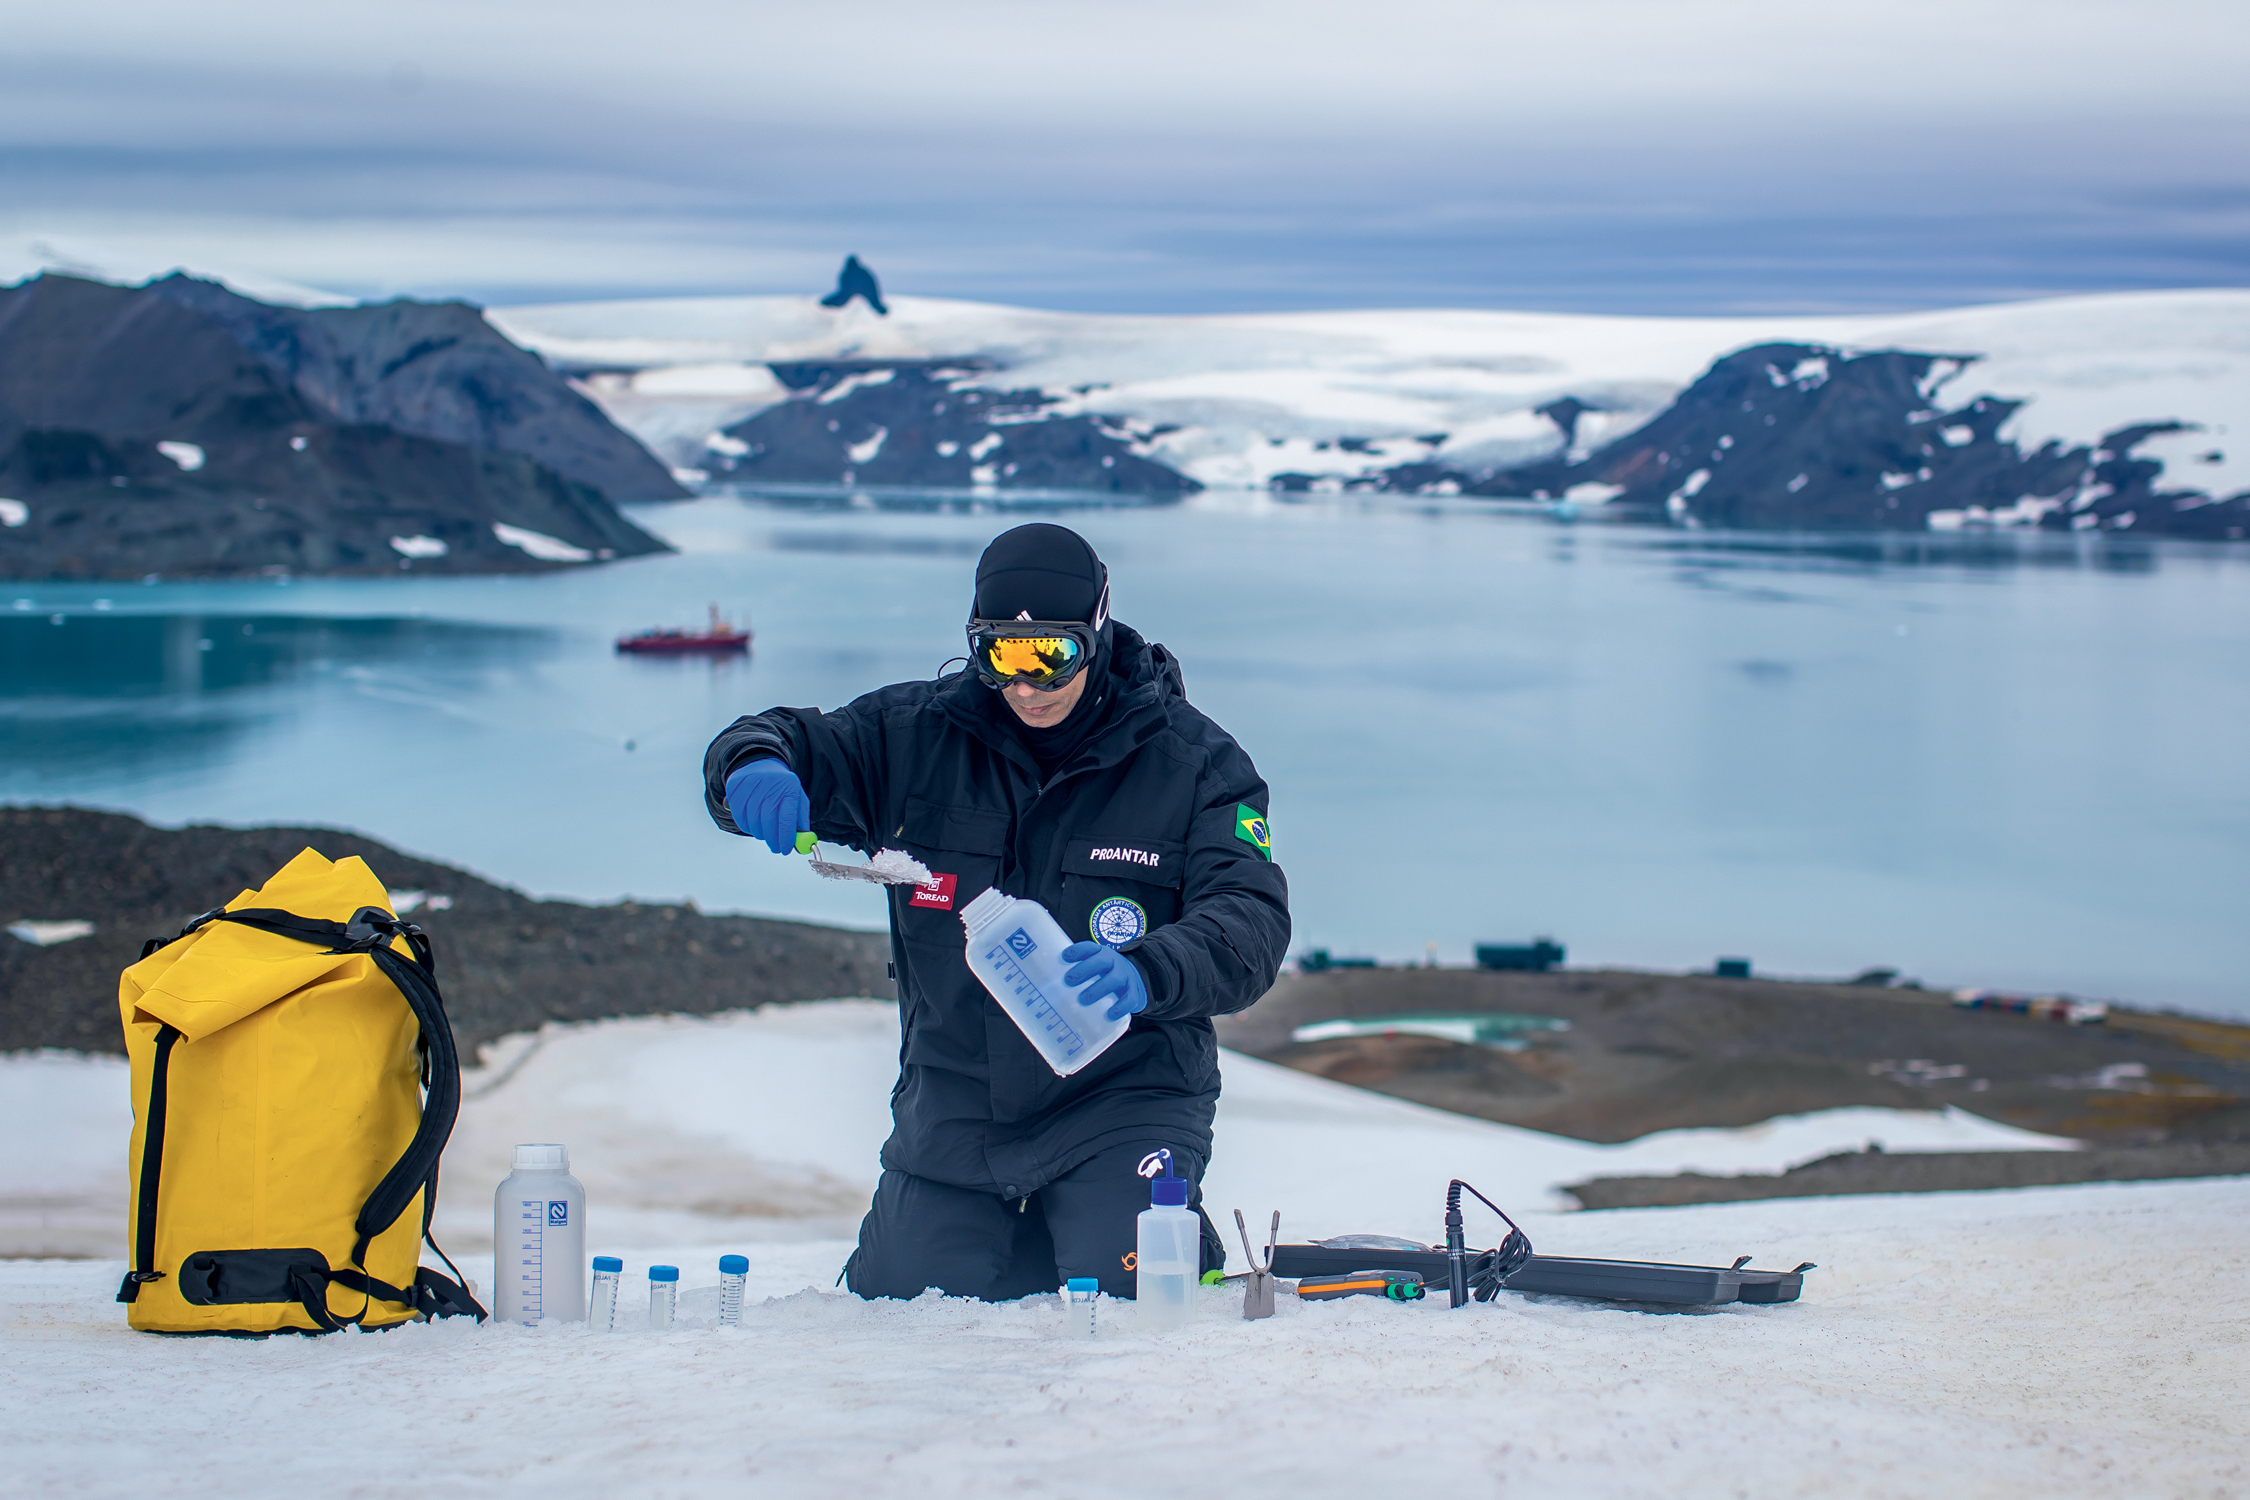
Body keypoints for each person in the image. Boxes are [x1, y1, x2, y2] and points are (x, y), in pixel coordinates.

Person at [702, 522, 1289, 1301]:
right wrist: (750, 767)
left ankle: (1131, 1228)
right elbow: (778, 736)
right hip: (955, 1106)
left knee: (1137, 1297)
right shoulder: (913, 739)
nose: (1026, 684)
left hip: (1124, 1096)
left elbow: (1249, 919)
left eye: (1053, 655)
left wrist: (1152, 970)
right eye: (1001, 657)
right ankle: (1023, 1238)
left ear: (1098, 633)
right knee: (897, 1309)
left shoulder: (1194, 765)